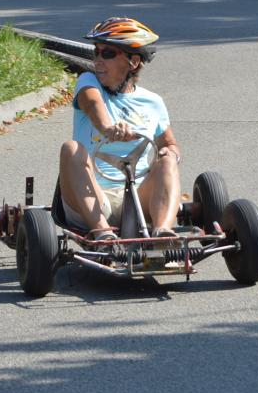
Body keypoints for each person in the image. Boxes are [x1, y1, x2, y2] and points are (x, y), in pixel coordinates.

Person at [59, 17, 182, 242]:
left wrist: (169, 153)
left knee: (168, 161)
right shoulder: (88, 82)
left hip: (138, 200)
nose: (97, 60)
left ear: (133, 62)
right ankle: (103, 235)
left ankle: (163, 234)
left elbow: (169, 144)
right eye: (96, 52)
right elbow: (92, 105)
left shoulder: (153, 102)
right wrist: (109, 129)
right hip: (92, 197)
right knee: (71, 148)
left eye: (107, 54)